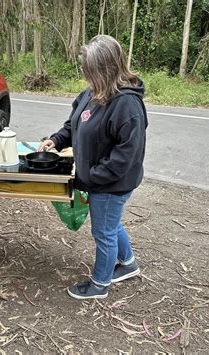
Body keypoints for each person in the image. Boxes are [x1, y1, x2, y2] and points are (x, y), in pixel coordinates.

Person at [38, 35, 148, 299]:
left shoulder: (127, 105)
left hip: (111, 184)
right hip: (97, 180)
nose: (87, 77)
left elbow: (125, 158)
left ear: (106, 70)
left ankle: (99, 285)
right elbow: (73, 124)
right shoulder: (92, 92)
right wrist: (55, 140)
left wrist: (90, 178)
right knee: (111, 224)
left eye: (91, 71)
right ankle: (128, 264)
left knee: (104, 231)